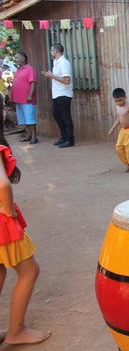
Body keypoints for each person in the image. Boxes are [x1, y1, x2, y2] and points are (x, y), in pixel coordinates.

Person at [0, 125, 51, 345]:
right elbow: (2, 184)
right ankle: (16, 330)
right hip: (2, 223)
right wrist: (8, 210)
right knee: (29, 270)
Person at [108, 88, 129, 174]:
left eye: (121, 100)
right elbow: (119, 119)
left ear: (125, 97)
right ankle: (128, 163)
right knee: (119, 147)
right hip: (123, 130)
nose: (119, 102)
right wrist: (113, 128)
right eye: (116, 101)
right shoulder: (117, 107)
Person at [11, 52, 38, 144]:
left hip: (27, 99)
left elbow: (33, 83)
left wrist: (30, 95)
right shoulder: (19, 70)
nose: (15, 59)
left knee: (30, 118)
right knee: (23, 118)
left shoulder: (30, 69)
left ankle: (34, 137)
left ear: (23, 58)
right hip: (18, 99)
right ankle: (29, 135)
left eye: (17, 57)